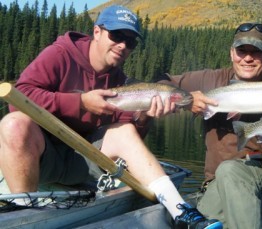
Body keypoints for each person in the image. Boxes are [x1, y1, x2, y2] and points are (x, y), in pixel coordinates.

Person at [0, 5, 222, 229]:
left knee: (124, 131)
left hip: (83, 163)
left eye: (131, 41)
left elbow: (127, 138)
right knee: (14, 124)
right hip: (42, 157)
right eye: (116, 35)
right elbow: (21, 97)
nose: (123, 45)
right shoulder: (60, 55)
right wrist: (80, 103)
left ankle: (181, 213)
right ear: (97, 32)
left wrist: (145, 117)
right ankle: (23, 215)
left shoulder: (122, 82)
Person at [159, 22, 262, 228]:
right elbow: (161, 83)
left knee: (229, 171)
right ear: (231, 53)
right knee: (197, 221)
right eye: (241, 51)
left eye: (256, 52)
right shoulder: (211, 79)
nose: (247, 58)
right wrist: (187, 100)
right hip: (214, 183)